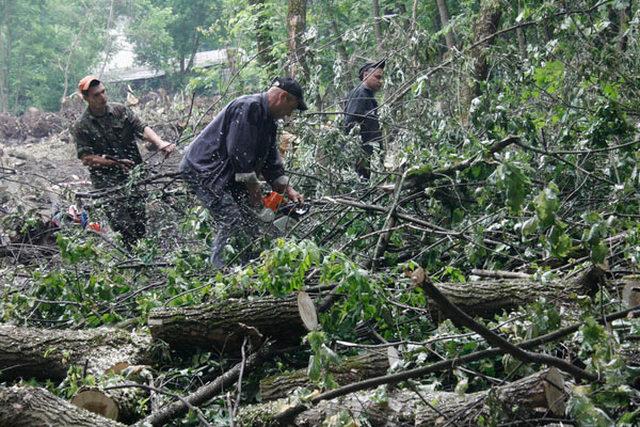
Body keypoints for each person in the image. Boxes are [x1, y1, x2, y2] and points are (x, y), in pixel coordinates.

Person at [180, 77, 306, 268]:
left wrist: (288, 190)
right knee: (231, 219)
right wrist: (254, 190)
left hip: (228, 173)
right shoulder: (248, 107)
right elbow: (239, 154)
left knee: (250, 221)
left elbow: (271, 161)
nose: (289, 115)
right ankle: (221, 272)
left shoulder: (269, 122)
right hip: (204, 169)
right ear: (283, 97)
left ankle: (247, 266)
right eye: (292, 108)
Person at [72, 75, 175, 247]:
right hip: (107, 184)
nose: (102, 97)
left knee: (140, 221)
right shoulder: (82, 126)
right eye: (96, 95)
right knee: (122, 225)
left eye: (103, 92)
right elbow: (86, 158)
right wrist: (115, 163)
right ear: (86, 98)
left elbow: (141, 128)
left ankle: (141, 255)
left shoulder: (120, 111)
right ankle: (131, 257)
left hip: (132, 177)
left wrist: (160, 143)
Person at [344, 60, 385, 180]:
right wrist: (357, 152)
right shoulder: (360, 94)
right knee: (362, 183)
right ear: (366, 75)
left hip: (370, 152)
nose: (380, 81)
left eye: (381, 78)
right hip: (362, 153)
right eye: (377, 77)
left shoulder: (369, 95)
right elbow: (350, 122)